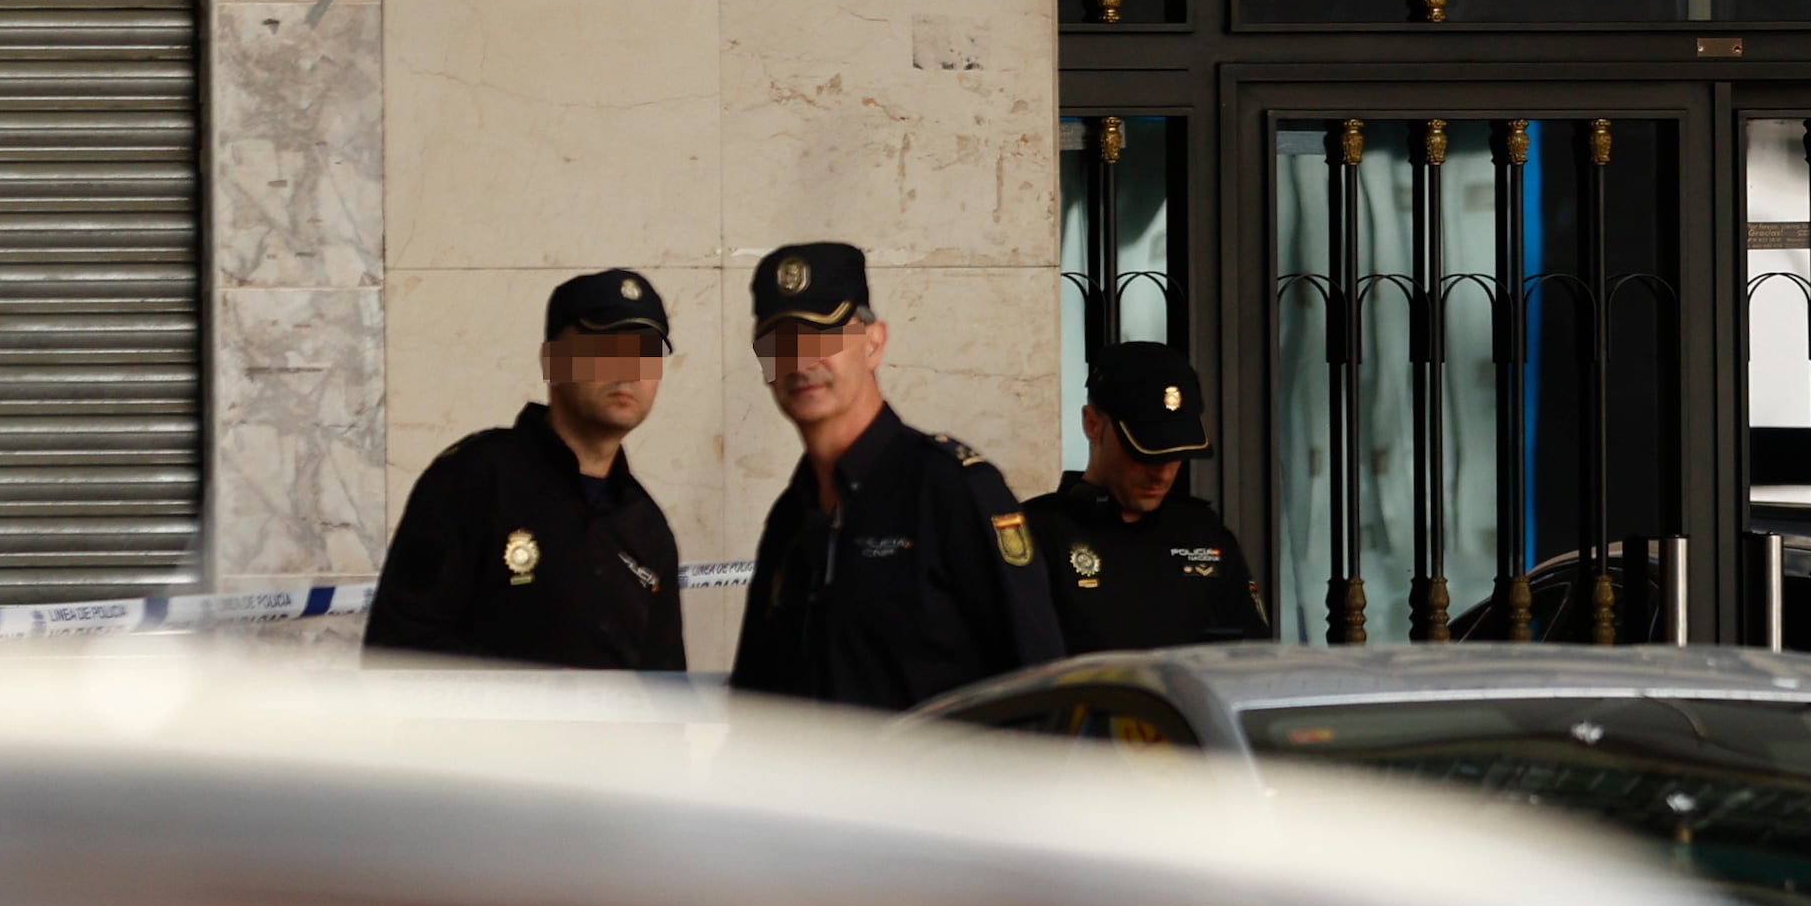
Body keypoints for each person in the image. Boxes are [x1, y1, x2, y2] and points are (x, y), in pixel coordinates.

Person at [726, 242, 1065, 708]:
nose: (800, 361)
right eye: (779, 343)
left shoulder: (951, 490)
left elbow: (1038, 683)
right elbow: (755, 703)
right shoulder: (790, 517)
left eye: (822, 336)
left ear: (874, 343)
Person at [362, 269, 686, 669]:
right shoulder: (473, 480)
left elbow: (667, 696)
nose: (629, 369)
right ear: (551, 360)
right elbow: (397, 650)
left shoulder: (648, 528)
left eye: (646, 352)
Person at [1028, 339, 1267, 652]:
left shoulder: (1204, 534)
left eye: (1175, 452)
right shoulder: (1038, 537)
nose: (1163, 472)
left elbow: (1255, 659)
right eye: (1146, 453)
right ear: (1092, 424)